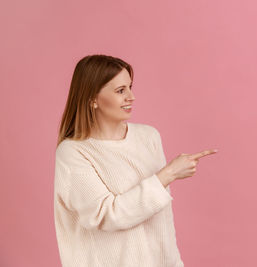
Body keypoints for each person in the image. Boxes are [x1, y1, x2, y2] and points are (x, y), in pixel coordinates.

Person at [53, 54, 217, 267]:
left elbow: (162, 221)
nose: (131, 96)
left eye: (130, 87)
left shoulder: (149, 137)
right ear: (92, 98)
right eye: (120, 91)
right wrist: (168, 175)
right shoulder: (73, 152)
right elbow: (106, 215)